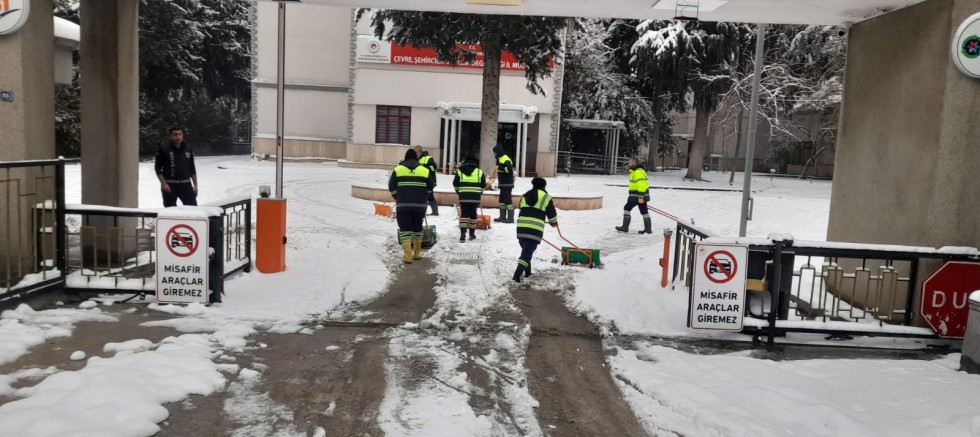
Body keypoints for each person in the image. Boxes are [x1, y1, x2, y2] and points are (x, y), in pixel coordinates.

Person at [389, 149, 434, 264]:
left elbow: (391, 187)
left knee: (405, 229)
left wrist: (398, 198)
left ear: (405, 158)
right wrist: (425, 197)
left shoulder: (398, 169)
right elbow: (430, 186)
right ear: (416, 158)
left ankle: (407, 256)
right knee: (417, 228)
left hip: (403, 205)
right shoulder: (424, 170)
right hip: (419, 206)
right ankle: (417, 254)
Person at [513, 177, 557, 283]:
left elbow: (521, 209)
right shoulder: (546, 197)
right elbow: (551, 214)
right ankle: (516, 276)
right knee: (526, 253)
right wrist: (553, 222)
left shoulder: (525, 196)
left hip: (522, 228)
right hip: (534, 229)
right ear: (544, 186)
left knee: (526, 251)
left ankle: (527, 273)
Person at [155, 127, 198, 207]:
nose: (178, 136)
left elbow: (192, 168)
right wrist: (163, 183)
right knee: (170, 211)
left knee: (193, 210)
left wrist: (195, 185)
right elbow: (157, 168)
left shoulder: (188, 149)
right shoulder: (163, 149)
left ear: (182, 136)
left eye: (180, 134)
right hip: (170, 185)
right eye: (175, 134)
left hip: (186, 184)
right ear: (170, 136)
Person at [453, 154, 486, 242]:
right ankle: (472, 234)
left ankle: (462, 235)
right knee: (473, 215)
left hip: (463, 196)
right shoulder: (479, 171)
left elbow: (455, 183)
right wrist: (480, 192)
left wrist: (459, 191)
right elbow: (483, 185)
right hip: (475, 197)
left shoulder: (460, 171)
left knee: (464, 215)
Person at [615, 157, 652, 234]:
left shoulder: (638, 172)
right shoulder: (635, 171)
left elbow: (642, 184)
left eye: (629, 163)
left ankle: (625, 227)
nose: (628, 164)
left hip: (637, 196)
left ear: (634, 163)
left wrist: (641, 196)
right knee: (644, 211)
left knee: (627, 208)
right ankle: (648, 229)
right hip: (637, 195)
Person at [414, 146, 439, 216]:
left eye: (415, 152)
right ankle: (433, 212)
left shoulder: (428, 158)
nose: (415, 154)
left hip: (430, 181)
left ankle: (427, 212)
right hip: (421, 181)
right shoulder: (415, 159)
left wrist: (424, 168)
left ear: (420, 152)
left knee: (427, 196)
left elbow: (434, 167)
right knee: (427, 196)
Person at [492, 145, 515, 223]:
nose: (494, 154)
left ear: (498, 152)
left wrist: (499, 168)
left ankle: (510, 218)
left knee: (508, 200)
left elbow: (509, 169)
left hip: (507, 184)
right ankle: (502, 217)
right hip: (503, 184)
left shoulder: (505, 159)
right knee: (502, 200)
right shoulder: (500, 159)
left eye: (495, 152)